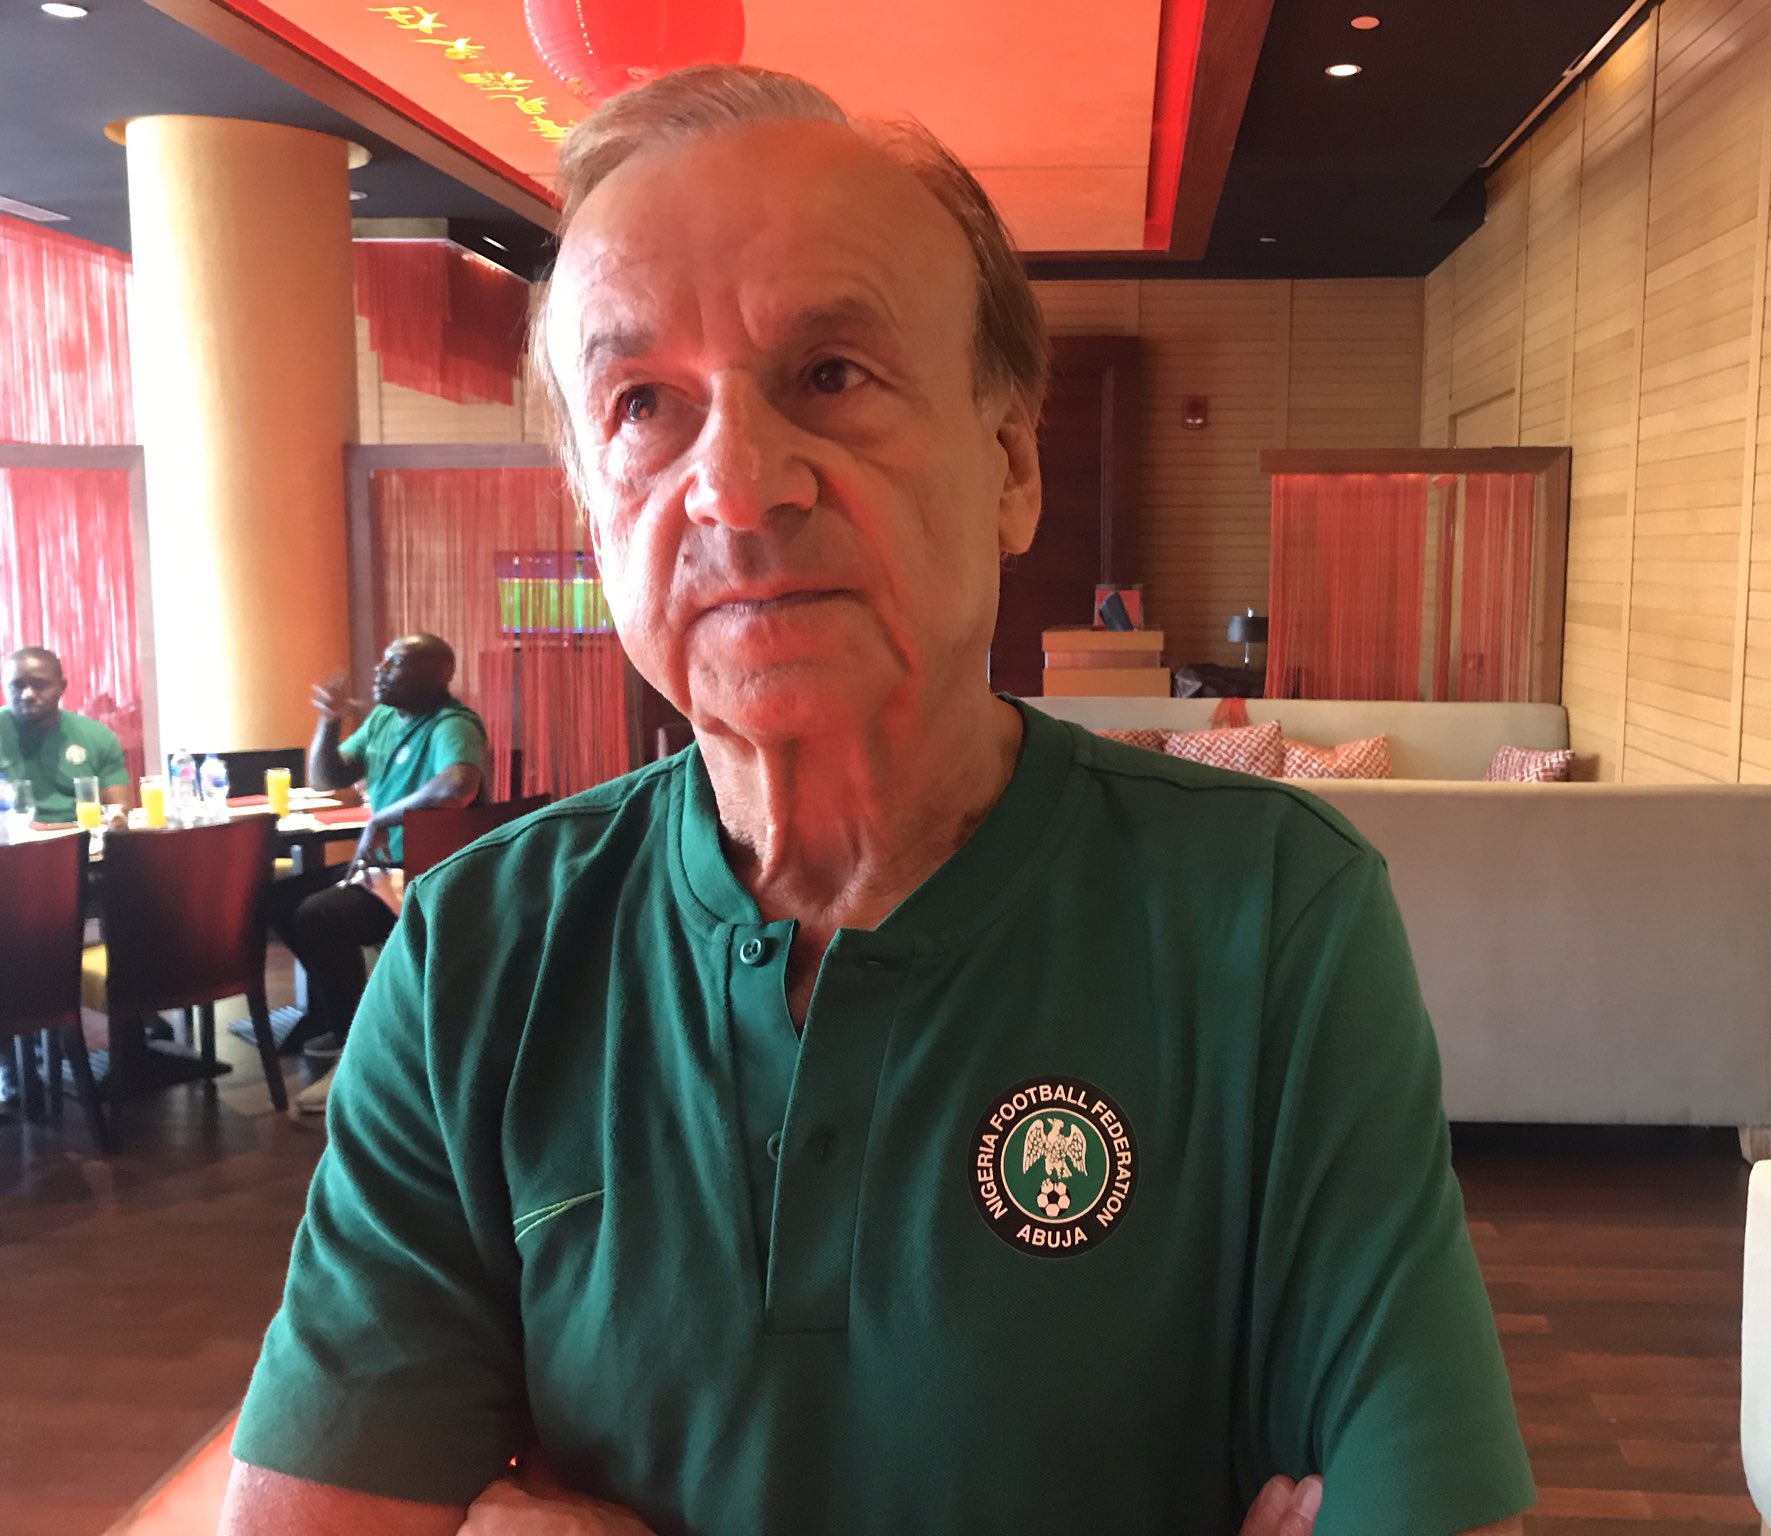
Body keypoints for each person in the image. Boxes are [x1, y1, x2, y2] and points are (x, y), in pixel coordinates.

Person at [224, 67, 1533, 1536]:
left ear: (1012, 465)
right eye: (643, 404)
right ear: (594, 514)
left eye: (832, 375)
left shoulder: (1272, 915)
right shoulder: (477, 951)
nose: (736, 487)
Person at [267, 632, 487, 1066]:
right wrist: (329, 721)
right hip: (382, 869)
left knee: (320, 916)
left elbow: (459, 785)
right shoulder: (384, 719)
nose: (380, 670)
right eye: (383, 661)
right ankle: (338, 1014)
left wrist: (382, 818)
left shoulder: (452, 724)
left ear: (440, 675)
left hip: (426, 874)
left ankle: (359, 1047)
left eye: (396, 663)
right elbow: (326, 779)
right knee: (277, 901)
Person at [0, 646, 131, 821]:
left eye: (39, 685)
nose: (27, 694)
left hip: (82, 834)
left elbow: (118, 809)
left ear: (62, 686)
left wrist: (114, 819)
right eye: (17, 686)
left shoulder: (97, 736)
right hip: (11, 836)